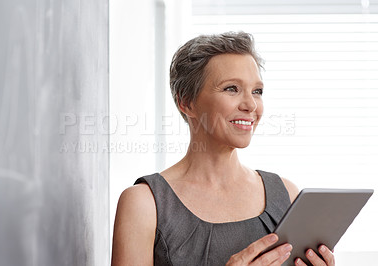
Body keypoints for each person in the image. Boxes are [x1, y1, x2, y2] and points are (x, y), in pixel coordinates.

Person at [111, 32, 335, 266]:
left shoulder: (287, 194)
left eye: (257, 91)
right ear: (186, 101)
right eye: (231, 88)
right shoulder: (144, 204)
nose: (250, 105)